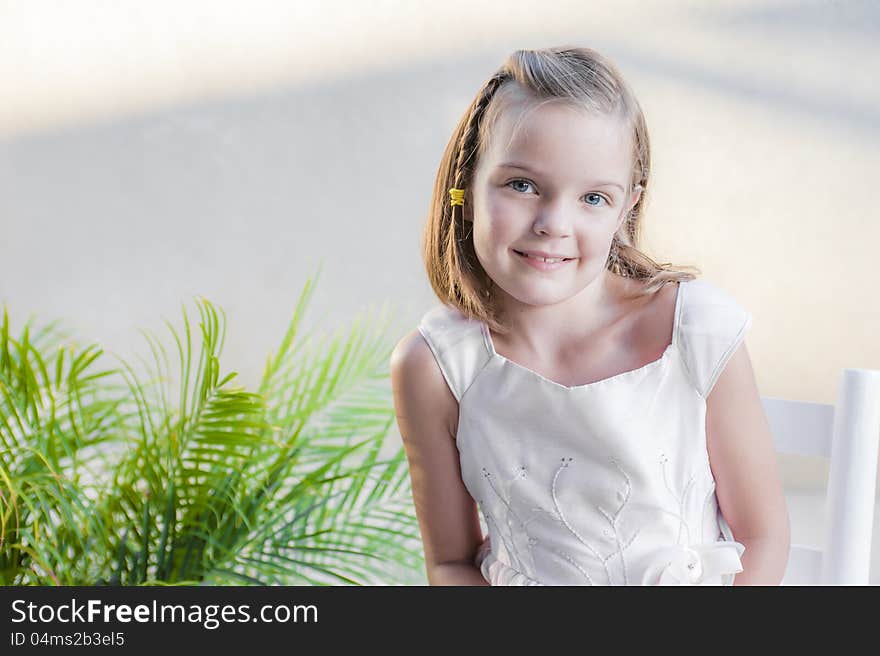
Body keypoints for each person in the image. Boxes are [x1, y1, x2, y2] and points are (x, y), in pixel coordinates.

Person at [390, 46, 790, 585]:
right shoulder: (436, 367)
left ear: (627, 206)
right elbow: (451, 563)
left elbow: (763, 537)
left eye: (593, 198)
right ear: (467, 186)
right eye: (522, 185)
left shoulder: (695, 331)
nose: (554, 222)